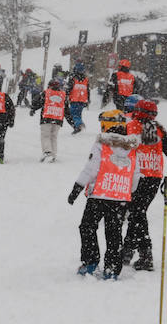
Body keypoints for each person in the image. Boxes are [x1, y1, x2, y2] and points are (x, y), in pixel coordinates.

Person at [68, 109, 139, 279]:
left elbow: (92, 169)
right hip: (119, 197)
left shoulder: (102, 144)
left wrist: (77, 188)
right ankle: (112, 268)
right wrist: (129, 192)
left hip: (99, 195)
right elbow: (135, 175)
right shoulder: (131, 148)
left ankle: (90, 261)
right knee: (114, 233)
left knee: (87, 227)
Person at [122, 98, 163, 271]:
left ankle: (145, 255)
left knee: (137, 214)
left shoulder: (129, 127)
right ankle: (127, 251)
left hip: (138, 177)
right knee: (137, 213)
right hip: (155, 177)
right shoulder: (160, 130)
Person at [33, 75, 67, 162]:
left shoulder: (46, 93)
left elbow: (38, 102)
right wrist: (72, 122)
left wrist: (33, 109)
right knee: (54, 137)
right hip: (58, 119)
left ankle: (47, 151)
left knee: (45, 135)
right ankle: (53, 154)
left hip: (47, 117)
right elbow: (67, 109)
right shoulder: (63, 95)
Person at [68, 63, 92, 133]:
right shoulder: (85, 80)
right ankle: (78, 127)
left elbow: (69, 89)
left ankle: (79, 124)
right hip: (82, 100)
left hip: (74, 99)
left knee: (73, 114)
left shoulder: (73, 78)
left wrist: (66, 95)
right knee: (78, 113)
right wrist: (88, 99)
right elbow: (88, 90)